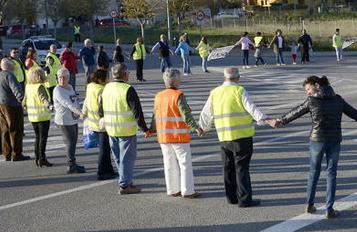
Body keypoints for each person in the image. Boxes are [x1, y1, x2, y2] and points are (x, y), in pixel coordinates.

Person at [278, 75, 357, 217]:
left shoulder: (312, 101)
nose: (308, 92)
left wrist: (280, 121)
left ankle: (309, 205)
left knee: (314, 172)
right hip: (334, 141)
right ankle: (329, 209)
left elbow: (295, 112)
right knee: (331, 174)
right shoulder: (338, 100)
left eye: (308, 89)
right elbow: (356, 114)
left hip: (316, 140)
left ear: (317, 85)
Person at [199, 67, 278, 207]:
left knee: (228, 168)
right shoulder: (239, 91)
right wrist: (267, 120)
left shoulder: (215, 93)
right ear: (238, 78)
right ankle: (245, 199)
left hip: (224, 137)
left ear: (224, 78)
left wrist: (202, 127)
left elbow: (206, 113)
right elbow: (252, 108)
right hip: (242, 137)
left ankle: (231, 197)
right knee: (241, 168)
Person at [99, 63, 152, 194]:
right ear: (125, 75)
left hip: (111, 129)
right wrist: (145, 129)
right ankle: (125, 185)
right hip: (126, 130)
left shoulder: (106, 88)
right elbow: (137, 112)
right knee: (127, 158)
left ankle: (125, 180)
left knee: (118, 158)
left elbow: (100, 109)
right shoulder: (128, 89)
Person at [153, 69, 203, 199]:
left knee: (169, 163)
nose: (180, 81)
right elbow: (185, 114)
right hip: (178, 135)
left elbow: (155, 115)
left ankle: (172, 189)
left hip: (164, 135)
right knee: (185, 163)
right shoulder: (178, 95)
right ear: (175, 81)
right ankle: (188, 191)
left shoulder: (158, 96)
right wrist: (195, 127)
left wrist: (151, 129)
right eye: (179, 79)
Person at [83, 68, 116, 180]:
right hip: (102, 123)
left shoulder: (90, 87)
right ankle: (102, 172)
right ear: (102, 79)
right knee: (104, 149)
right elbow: (104, 106)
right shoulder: (102, 90)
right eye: (107, 77)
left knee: (105, 148)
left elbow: (86, 102)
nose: (108, 79)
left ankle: (109, 169)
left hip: (93, 122)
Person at [53, 68, 86, 174]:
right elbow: (68, 104)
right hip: (64, 120)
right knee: (70, 143)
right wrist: (80, 113)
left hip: (72, 119)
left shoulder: (70, 87)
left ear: (68, 78)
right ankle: (71, 165)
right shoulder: (57, 90)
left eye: (64, 77)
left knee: (74, 142)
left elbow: (75, 101)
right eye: (59, 78)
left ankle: (73, 163)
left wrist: (82, 110)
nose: (62, 80)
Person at [0, 59, 28, 162]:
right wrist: (22, 101)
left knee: (5, 130)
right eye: (13, 65)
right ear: (9, 66)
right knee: (16, 129)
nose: (14, 66)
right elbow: (16, 90)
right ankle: (17, 154)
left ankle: (7, 153)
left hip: (1, 104)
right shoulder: (10, 75)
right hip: (12, 105)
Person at [25, 67, 53, 167]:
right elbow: (43, 98)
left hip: (32, 116)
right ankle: (42, 158)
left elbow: (24, 101)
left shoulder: (28, 86)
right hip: (42, 116)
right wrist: (50, 106)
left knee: (37, 137)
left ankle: (37, 157)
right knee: (43, 138)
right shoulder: (40, 86)